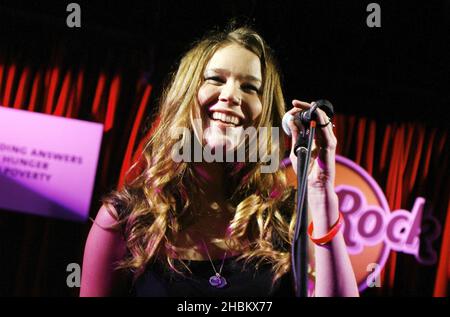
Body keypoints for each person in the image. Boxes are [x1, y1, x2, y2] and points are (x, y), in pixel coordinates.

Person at [80, 25, 359, 297]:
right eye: (215, 79)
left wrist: (321, 192)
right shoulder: (126, 219)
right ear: (185, 94)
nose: (231, 96)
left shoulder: (288, 217)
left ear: (265, 113)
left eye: (250, 87)